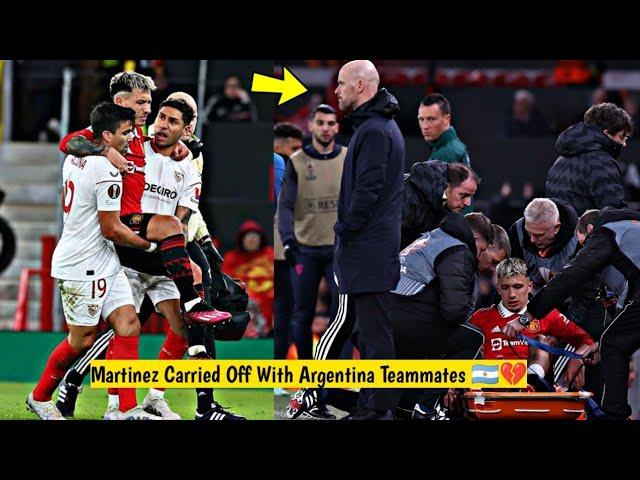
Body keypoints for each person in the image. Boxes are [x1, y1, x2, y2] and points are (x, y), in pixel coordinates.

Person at [27, 103, 161, 420]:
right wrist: (150, 247)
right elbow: (112, 228)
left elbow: (75, 145)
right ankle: (40, 396)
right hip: (81, 262)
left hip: (103, 259)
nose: (131, 138)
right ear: (106, 135)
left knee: (128, 324)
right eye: (126, 133)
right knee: (81, 339)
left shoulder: (78, 157)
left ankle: (126, 408)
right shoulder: (105, 170)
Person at [503, 207, 640, 420]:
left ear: (591, 230)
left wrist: (526, 317)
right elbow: (626, 315)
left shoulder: (605, 233)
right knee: (612, 342)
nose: (586, 251)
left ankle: (615, 417)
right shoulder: (630, 232)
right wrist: (599, 344)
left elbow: (570, 277)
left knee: (613, 344)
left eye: (585, 246)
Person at [332, 60, 404, 420]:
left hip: (368, 248)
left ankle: (378, 409)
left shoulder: (375, 131)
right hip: (372, 247)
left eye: (342, 84)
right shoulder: (378, 127)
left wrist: (345, 226)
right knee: (369, 333)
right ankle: (372, 404)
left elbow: (368, 190)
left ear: (361, 86)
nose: (337, 90)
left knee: (375, 336)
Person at [389, 212, 492, 420]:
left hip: (385, 320)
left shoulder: (430, 238)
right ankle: (426, 409)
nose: (481, 257)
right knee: (473, 337)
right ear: (475, 239)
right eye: (482, 249)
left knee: (443, 337)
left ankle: (410, 405)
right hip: (405, 322)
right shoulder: (457, 248)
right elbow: (454, 312)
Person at [278, 104, 346, 360]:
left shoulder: (347, 157)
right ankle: (307, 377)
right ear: (311, 126)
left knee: (343, 313)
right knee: (302, 313)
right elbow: (285, 205)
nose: (326, 128)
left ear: (337, 127)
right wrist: (287, 240)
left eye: (331, 123)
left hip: (337, 251)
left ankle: (335, 373)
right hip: (305, 249)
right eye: (321, 123)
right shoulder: (297, 161)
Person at [470, 257, 597, 391]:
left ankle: (532, 382)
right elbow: (458, 353)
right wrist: (453, 387)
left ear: (529, 287)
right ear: (498, 289)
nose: (512, 294)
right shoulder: (480, 317)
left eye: (518, 286)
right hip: (491, 387)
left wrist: (577, 358)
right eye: (505, 287)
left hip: (533, 393)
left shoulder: (547, 315)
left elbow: (586, 340)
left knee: (541, 340)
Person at [546, 102, 633, 216]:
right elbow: (614, 211)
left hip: (559, 231)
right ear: (606, 133)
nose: (624, 144)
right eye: (622, 137)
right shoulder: (600, 161)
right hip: (586, 232)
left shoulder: (561, 159)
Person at [402, 160, 479, 249]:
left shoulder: (440, 205)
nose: (468, 203)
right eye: (464, 195)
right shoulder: (407, 196)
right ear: (447, 187)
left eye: (470, 196)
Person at [418, 93, 470, 166]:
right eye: (421, 119)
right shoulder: (452, 147)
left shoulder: (447, 154)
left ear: (446, 119)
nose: (425, 126)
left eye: (431, 119)